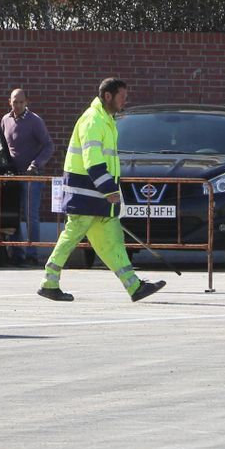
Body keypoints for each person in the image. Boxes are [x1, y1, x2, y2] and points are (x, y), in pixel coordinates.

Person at [38, 78, 165, 303]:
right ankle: (49, 282)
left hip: (96, 196)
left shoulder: (106, 120)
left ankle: (134, 287)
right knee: (72, 236)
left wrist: (109, 191)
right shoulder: (93, 121)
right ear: (108, 96)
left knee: (113, 241)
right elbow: (93, 161)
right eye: (122, 96)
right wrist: (109, 189)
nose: (125, 100)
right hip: (87, 195)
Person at [1, 88, 53, 265]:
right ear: (10, 102)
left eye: (21, 102)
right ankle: (17, 253)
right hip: (13, 176)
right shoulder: (5, 120)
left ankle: (32, 254)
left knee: (31, 215)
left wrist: (35, 164)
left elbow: (48, 146)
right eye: (15, 102)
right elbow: (4, 147)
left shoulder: (35, 121)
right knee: (14, 215)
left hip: (32, 176)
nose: (18, 105)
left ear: (27, 102)